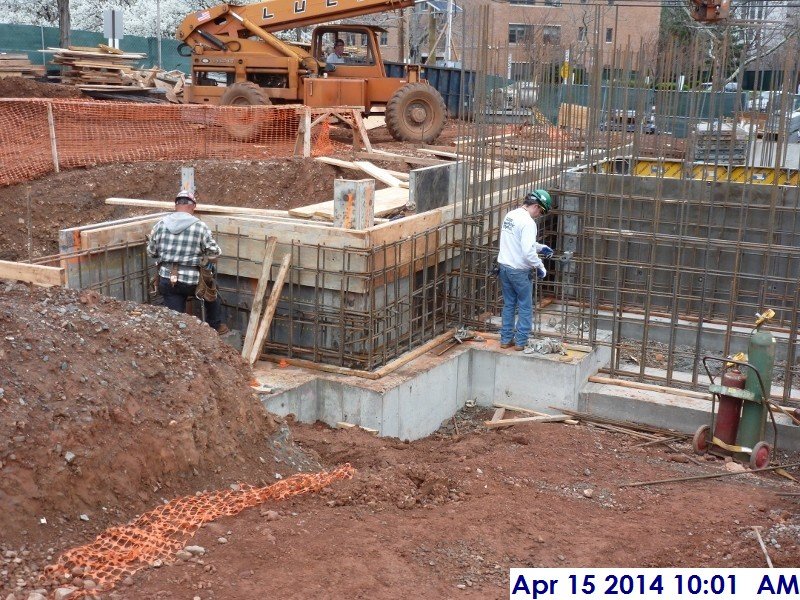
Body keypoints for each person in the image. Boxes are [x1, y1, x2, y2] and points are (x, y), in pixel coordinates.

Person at [147, 190, 228, 334]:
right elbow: (214, 252)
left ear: (176, 205)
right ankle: (215, 327)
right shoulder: (200, 226)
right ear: (193, 206)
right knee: (212, 292)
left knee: (175, 318)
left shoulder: (160, 225)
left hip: (167, 279)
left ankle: (178, 335)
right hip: (192, 281)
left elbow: (151, 253)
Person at [497, 189, 553, 350]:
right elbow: (527, 252)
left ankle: (506, 339)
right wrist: (540, 266)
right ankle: (521, 342)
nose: (539, 215)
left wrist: (541, 248)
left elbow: (518, 242)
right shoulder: (528, 223)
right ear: (536, 206)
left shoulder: (511, 215)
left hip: (505, 268)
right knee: (525, 306)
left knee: (509, 305)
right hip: (519, 272)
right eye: (540, 211)